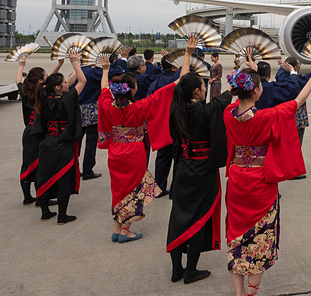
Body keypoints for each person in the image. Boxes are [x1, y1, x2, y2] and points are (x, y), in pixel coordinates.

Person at [224, 58, 311, 296]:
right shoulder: (267, 117)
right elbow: (298, 100)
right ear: (258, 91)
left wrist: (245, 69)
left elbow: (236, 101)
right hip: (260, 180)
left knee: (236, 236)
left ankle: (240, 294)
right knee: (259, 238)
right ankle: (251, 292)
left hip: (238, 178)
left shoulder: (228, 113)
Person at [98, 36, 198, 243]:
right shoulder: (139, 106)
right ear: (132, 90)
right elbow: (179, 82)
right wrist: (187, 54)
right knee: (134, 189)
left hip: (115, 151)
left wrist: (106, 70)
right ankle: (125, 230)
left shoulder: (108, 105)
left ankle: (117, 228)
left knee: (118, 189)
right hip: (134, 152)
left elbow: (103, 89)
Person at [166, 70, 231, 284]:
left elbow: (216, 103)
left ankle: (177, 270)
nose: (206, 90)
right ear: (196, 91)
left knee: (179, 216)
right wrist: (235, 83)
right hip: (202, 170)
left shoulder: (176, 108)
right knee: (198, 217)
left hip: (183, 168)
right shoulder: (204, 112)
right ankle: (191, 271)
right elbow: (220, 103)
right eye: (203, 87)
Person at [31, 50, 87, 224]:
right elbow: (82, 80)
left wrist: (67, 65)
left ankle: (45, 212)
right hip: (63, 143)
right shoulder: (68, 99)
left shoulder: (43, 97)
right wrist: (75, 62)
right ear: (58, 87)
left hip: (47, 142)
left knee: (44, 176)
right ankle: (62, 215)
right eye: (64, 82)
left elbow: (61, 83)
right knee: (63, 179)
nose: (67, 84)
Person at [77, 48, 130, 180]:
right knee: (91, 141)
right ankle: (88, 169)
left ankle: (73, 168)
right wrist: (122, 59)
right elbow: (118, 72)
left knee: (76, 141)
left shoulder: (77, 72)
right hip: (92, 111)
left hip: (77, 110)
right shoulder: (94, 72)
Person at [16, 56, 62, 205]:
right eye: (46, 76)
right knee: (41, 166)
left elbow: (18, 80)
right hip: (39, 132)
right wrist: (61, 64)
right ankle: (42, 197)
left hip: (28, 133)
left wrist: (21, 66)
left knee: (27, 164)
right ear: (41, 81)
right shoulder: (42, 94)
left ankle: (27, 197)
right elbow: (51, 82)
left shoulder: (25, 90)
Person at [149, 54, 181, 196]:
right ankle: (175, 189)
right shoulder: (179, 80)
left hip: (161, 123)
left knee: (162, 156)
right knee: (178, 156)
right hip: (178, 122)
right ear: (175, 65)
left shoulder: (155, 83)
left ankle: (159, 187)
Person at [277, 57, 311, 148]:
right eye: (299, 66)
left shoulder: (280, 76)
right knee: (296, 144)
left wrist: (283, 63)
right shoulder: (298, 80)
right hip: (297, 117)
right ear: (294, 68)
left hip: (283, 116)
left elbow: (281, 69)